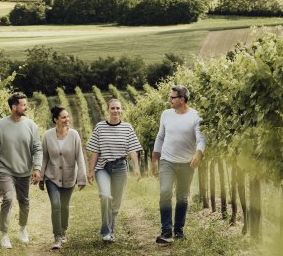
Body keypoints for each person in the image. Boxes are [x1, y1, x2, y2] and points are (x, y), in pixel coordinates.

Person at [0, 92, 42, 249]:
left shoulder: (31, 126)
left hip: (24, 170)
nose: (26, 107)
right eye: (23, 104)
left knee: (24, 202)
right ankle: (4, 235)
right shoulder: (0, 125)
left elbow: (37, 149)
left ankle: (23, 229)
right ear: (14, 107)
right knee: (8, 199)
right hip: (5, 170)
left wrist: (37, 168)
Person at [151, 85, 205, 244]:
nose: (169, 100)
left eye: (172, 97)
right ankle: (166, 232)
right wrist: (154, 160)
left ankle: (178, 231)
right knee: (165, 192)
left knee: (182, 197)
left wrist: (198, 153)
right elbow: (160, 137)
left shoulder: (196, 116)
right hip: (167, 161)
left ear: (182, 99)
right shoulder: (166, 114)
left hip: (186, 164)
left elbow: (201, 138)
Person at [87, 98, 142, 243]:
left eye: (118, 108)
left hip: (120, 167)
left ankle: (110, 230)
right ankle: (106, 231)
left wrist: (136, 167)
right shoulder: (100, 127)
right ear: (108, 110)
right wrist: (91, 170)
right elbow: (95, 151)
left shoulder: (127, 128)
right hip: (103, 167)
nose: (115, 111)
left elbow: (133, 149)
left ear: (121, 110)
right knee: (105, 196)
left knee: (116, 204)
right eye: (113, 108)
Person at [40, 106, 87, 250]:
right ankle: (57, 237)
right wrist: (41, 177)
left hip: (69, 177)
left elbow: (79, 156)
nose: (67, 120)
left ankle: (64, 229)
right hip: (52, 177)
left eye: (68, 117)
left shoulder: (74, 135)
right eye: (64, 117)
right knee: (56, 205)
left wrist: (82, 178)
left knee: (64, 206)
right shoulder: (47, 135)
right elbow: (44, 157)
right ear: (56, 120)